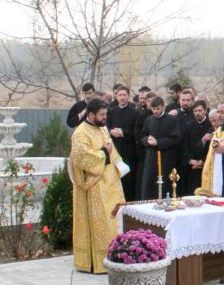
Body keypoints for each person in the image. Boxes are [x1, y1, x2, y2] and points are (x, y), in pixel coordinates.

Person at [69, 98, 125, 273]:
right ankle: (99, 262)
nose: (105, 117)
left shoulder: (102, 127)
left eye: (106, 114)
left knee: (114, 221)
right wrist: (103, 153)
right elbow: (81, 158)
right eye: (102, 114)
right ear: (91, 114)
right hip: (94, 186)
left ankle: (117, 257)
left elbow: (111, 149)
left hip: (110, 183)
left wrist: (121, 166)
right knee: (101, 223)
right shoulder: (80, 133)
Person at [137, 96, 180, 200]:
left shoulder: (171, 120)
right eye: (153, 109)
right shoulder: (149, 120)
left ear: (163, 107)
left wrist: (158, 142)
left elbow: (175, 139)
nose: (155, 111)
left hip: (166, 158)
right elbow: (142, 136)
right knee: (149, 185)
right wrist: (147, 140)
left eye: (158, 109)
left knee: (164, 186)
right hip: (151, 158)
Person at [107, 84, 141, 201]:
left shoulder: (135, 112)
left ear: (128, 96)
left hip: (129, 150)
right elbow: (106, 128)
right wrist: (111, 131)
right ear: (116, 96)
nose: (122, 97)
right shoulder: (111, 112)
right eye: (120, 95)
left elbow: (137, 132)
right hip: (115, 149)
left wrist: (123, 132)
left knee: (129, 180)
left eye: (124, 95)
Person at [180, 100, 211, 195]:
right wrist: (189, 160)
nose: (197, 113)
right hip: (191, 168)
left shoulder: (211, 126)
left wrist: (202, 161)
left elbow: (211, 149)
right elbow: (184, 146)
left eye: (200, 110)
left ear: (205, 110)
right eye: (195, 111)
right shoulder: (188, 126)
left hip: (206, 167)